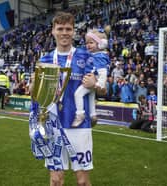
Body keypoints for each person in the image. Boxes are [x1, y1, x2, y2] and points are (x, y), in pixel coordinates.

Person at [29, 11, 100, 186]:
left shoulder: (85, 56)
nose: (64, 33)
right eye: (60, 28)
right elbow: (35, 95)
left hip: (79, 126)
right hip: (53, 126)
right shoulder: (45, 60)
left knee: (82, 181)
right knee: (56, 180)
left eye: (68, 29)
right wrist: (33, 85)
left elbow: (102, 88)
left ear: (74, 31)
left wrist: (95, 83)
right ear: (53, 31)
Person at [72, 29, 110, 127]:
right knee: (91, 97)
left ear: (101, 44)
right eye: (87, 43)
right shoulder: (95, 54)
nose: (88, 45)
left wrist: (99, 84)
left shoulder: (99, 56)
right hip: (91, 78)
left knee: (78, 94)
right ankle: (93, 115)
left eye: (91, 42)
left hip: (91, 78)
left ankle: (80, 114)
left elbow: (103, 72)